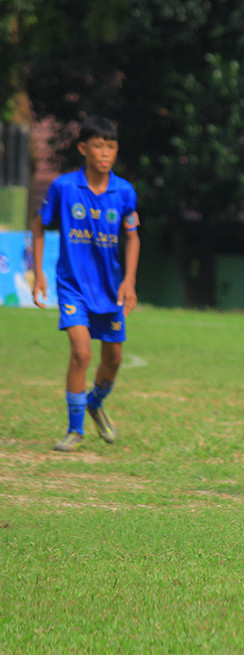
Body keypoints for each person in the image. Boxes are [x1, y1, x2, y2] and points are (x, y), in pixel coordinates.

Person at [29, 116, 140, 452]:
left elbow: (133, 238)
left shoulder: (124, 191)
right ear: (83, 148)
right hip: (72, 285)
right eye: (98, 145)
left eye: (111, 146)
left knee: (114, 359)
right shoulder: (64, 187)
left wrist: (130, 282)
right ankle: (74, 430)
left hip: (109, 289)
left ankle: (95, 403)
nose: (105, 152)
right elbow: (38, 226)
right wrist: (40, 273)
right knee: (80, 353)